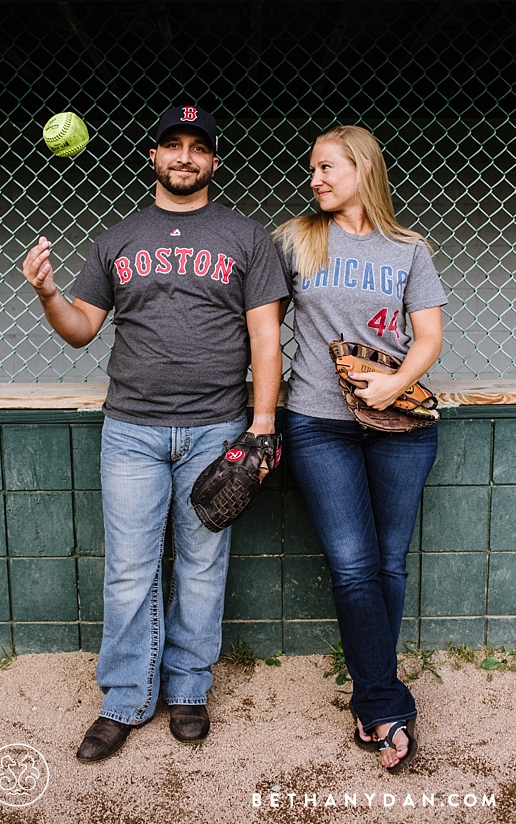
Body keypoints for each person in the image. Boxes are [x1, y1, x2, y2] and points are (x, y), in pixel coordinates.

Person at [22, 105, 287, 762]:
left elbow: (264, 336)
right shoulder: (116, 240)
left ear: (214, 162)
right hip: (132, 431)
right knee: (129, 572)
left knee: (201, 566)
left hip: (218, 427)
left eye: (199, 147)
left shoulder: (247, 238)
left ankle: (189, 689)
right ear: (154, 156)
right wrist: (49, 293)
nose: (185, 157)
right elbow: (82, 327)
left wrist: (259, 428)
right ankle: (125, 700)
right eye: (173, 144)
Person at [273, 125, 446, 773]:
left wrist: (395, 382)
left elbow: (426, 336)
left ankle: (375, 693)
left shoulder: (408, 249)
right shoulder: (296, 240)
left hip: (401, 424)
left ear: (362, 169)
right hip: (318, 422)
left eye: (325, 168)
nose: (314, 179)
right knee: (353, 565)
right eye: (311, 169)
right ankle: (383, 698)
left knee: (388, 565)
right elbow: (256, 316)